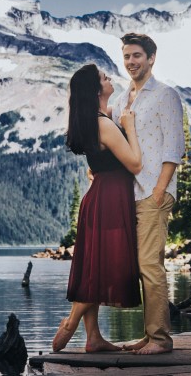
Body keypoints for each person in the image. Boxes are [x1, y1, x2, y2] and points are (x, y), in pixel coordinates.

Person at [52, 63, 143, 353]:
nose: (109, 78)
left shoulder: (97, 119)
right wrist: (129, 128)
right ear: (95, 90)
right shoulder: (103, 124)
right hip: (111, 199)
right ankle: (71, 322)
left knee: (95, 264)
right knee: (102, 268)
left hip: (99, 197)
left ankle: (93, 338)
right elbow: (134, 163)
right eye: (104, 77)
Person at [111, 32, 185, 355]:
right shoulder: (124, 99)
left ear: (151, 58)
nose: (131, 62)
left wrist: (159, 190)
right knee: (141, 266)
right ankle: (150, 333)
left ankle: (160, 339)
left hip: (154, 192)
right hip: (131, 195)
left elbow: (174, 147)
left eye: (137, 56)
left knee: (150, 265)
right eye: (127, 56)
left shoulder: (166, 95)